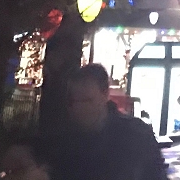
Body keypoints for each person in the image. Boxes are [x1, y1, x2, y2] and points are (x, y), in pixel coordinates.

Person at [35, 64, 165, 180]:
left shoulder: (136, 135)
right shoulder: (60, 139)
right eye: (74, 101)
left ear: (105, 95)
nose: (79, 108)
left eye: (86, 101)